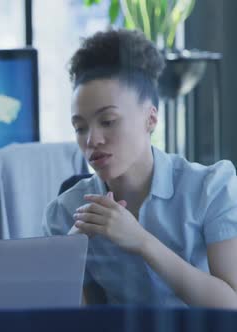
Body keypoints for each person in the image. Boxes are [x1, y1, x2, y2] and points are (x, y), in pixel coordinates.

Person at [44, 29, 237, 307]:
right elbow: (78, 320)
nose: (92, 140)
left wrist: (143, 242)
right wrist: (66, 259)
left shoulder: (212, 189)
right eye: (80, 127)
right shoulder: (65, 212)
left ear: (151, 119)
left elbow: (231, 305)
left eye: (108, 121)